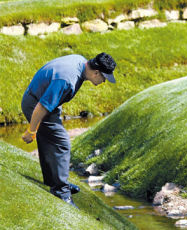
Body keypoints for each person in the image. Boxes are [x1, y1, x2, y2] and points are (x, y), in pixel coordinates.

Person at [21, 53, 117, 208]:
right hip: (35, 104)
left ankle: (54, 181)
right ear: (96, 73)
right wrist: (31, 131)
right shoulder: (67, 79)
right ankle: (61, 191)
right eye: (104, 78)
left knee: (49, 139)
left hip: (43, 101)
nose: (104, 81)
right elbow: (42, 106)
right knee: (62, 143)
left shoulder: (81, 62)